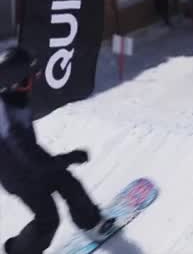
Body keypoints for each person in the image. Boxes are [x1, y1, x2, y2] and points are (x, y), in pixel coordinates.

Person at [0, 47, 115, 254]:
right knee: (48, 218)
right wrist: (69, 157)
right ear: (16, 82)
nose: (34, 80)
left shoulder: (12, 97)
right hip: (17, 175)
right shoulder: (8, 119)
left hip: (28, 158)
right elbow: (32, 161)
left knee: (69, 183)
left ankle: (92, 223)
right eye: (29, 78)